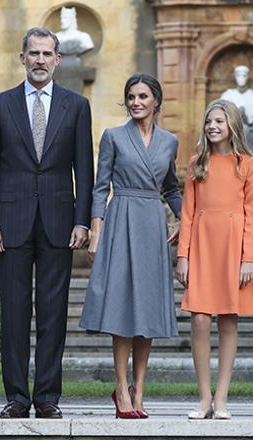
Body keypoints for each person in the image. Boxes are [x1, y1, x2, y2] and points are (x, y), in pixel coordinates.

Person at [0, 27, 93, 419]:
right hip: (9, 224)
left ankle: (47, 398)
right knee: (13, 313)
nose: (40, 60)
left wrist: (83, 221)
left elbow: (85, 169)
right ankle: (16, 397)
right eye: (34, 53)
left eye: (47, 54)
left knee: (53, 312)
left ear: (58, 60)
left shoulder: (77, 106)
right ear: (22, 57)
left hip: (60, 222)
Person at [79, 73, 181, 419]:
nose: (136, 102)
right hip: (121, 218)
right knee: (123, 309)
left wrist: (185, 220)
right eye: (131, 97)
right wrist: (96, 229)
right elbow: (99, 186)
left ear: (156, 101)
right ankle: (120, 388)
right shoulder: (113, 137)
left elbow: (172, 188)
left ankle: (140, 390)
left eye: (143, 97)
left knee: (147, 311)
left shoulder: (170, 141)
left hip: (152, 223)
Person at [175, 99, 253, 420]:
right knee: (198, 318)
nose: (212, 126)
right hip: (201, 245)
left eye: (219, 122)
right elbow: (186, 214)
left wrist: (247, 259)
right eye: (209, 121)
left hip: (233, 247)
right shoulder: (197, 163)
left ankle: (222, 399)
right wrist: (182, 255)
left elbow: (252, 215)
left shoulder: (246, 165)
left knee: (228, 318)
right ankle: (203, 398)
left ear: (232, 126)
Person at [220, 65, 253, 181]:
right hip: (233, 130)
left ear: (248, 77)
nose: (241, 78)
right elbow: (219, 112)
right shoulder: (228, 95)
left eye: (244, 75)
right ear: (235, 77)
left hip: (250, 130)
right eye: (238, 75)